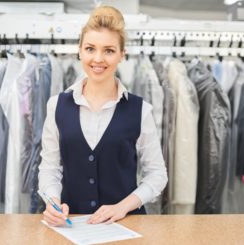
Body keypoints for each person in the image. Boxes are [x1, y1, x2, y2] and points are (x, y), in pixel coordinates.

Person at [38, 5, 168, 226]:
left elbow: (157, 174)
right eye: (90, 48)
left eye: (108, 50)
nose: (98, 59)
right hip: (72, 225)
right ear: (79, 51)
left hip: (125, 225)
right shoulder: (56, 106)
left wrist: (123, 207)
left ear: (121, 55)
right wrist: (53, 202)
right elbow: (49, 167)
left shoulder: (140, 109)